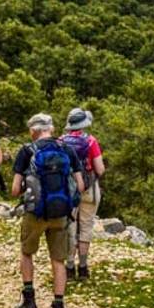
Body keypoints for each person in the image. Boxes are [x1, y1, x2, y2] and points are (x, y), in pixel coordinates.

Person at [11, 113, 83, 308]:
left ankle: (29, 301)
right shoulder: (67, 150)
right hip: (61, 213)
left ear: (33, 131)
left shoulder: (27, 151)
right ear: (51, 129)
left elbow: (14, 190)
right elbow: (80, 185)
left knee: (27, 252)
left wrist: (29, 189)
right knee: (58, 261)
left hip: (35, 214)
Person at [60, 107, 106, 279]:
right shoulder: (91, 141)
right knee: (86, 226)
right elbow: (100, 169)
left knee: (70, 227)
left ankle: (70, 266)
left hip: (69, 190)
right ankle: (84, 267)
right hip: (89, 189)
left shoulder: (61, 141)